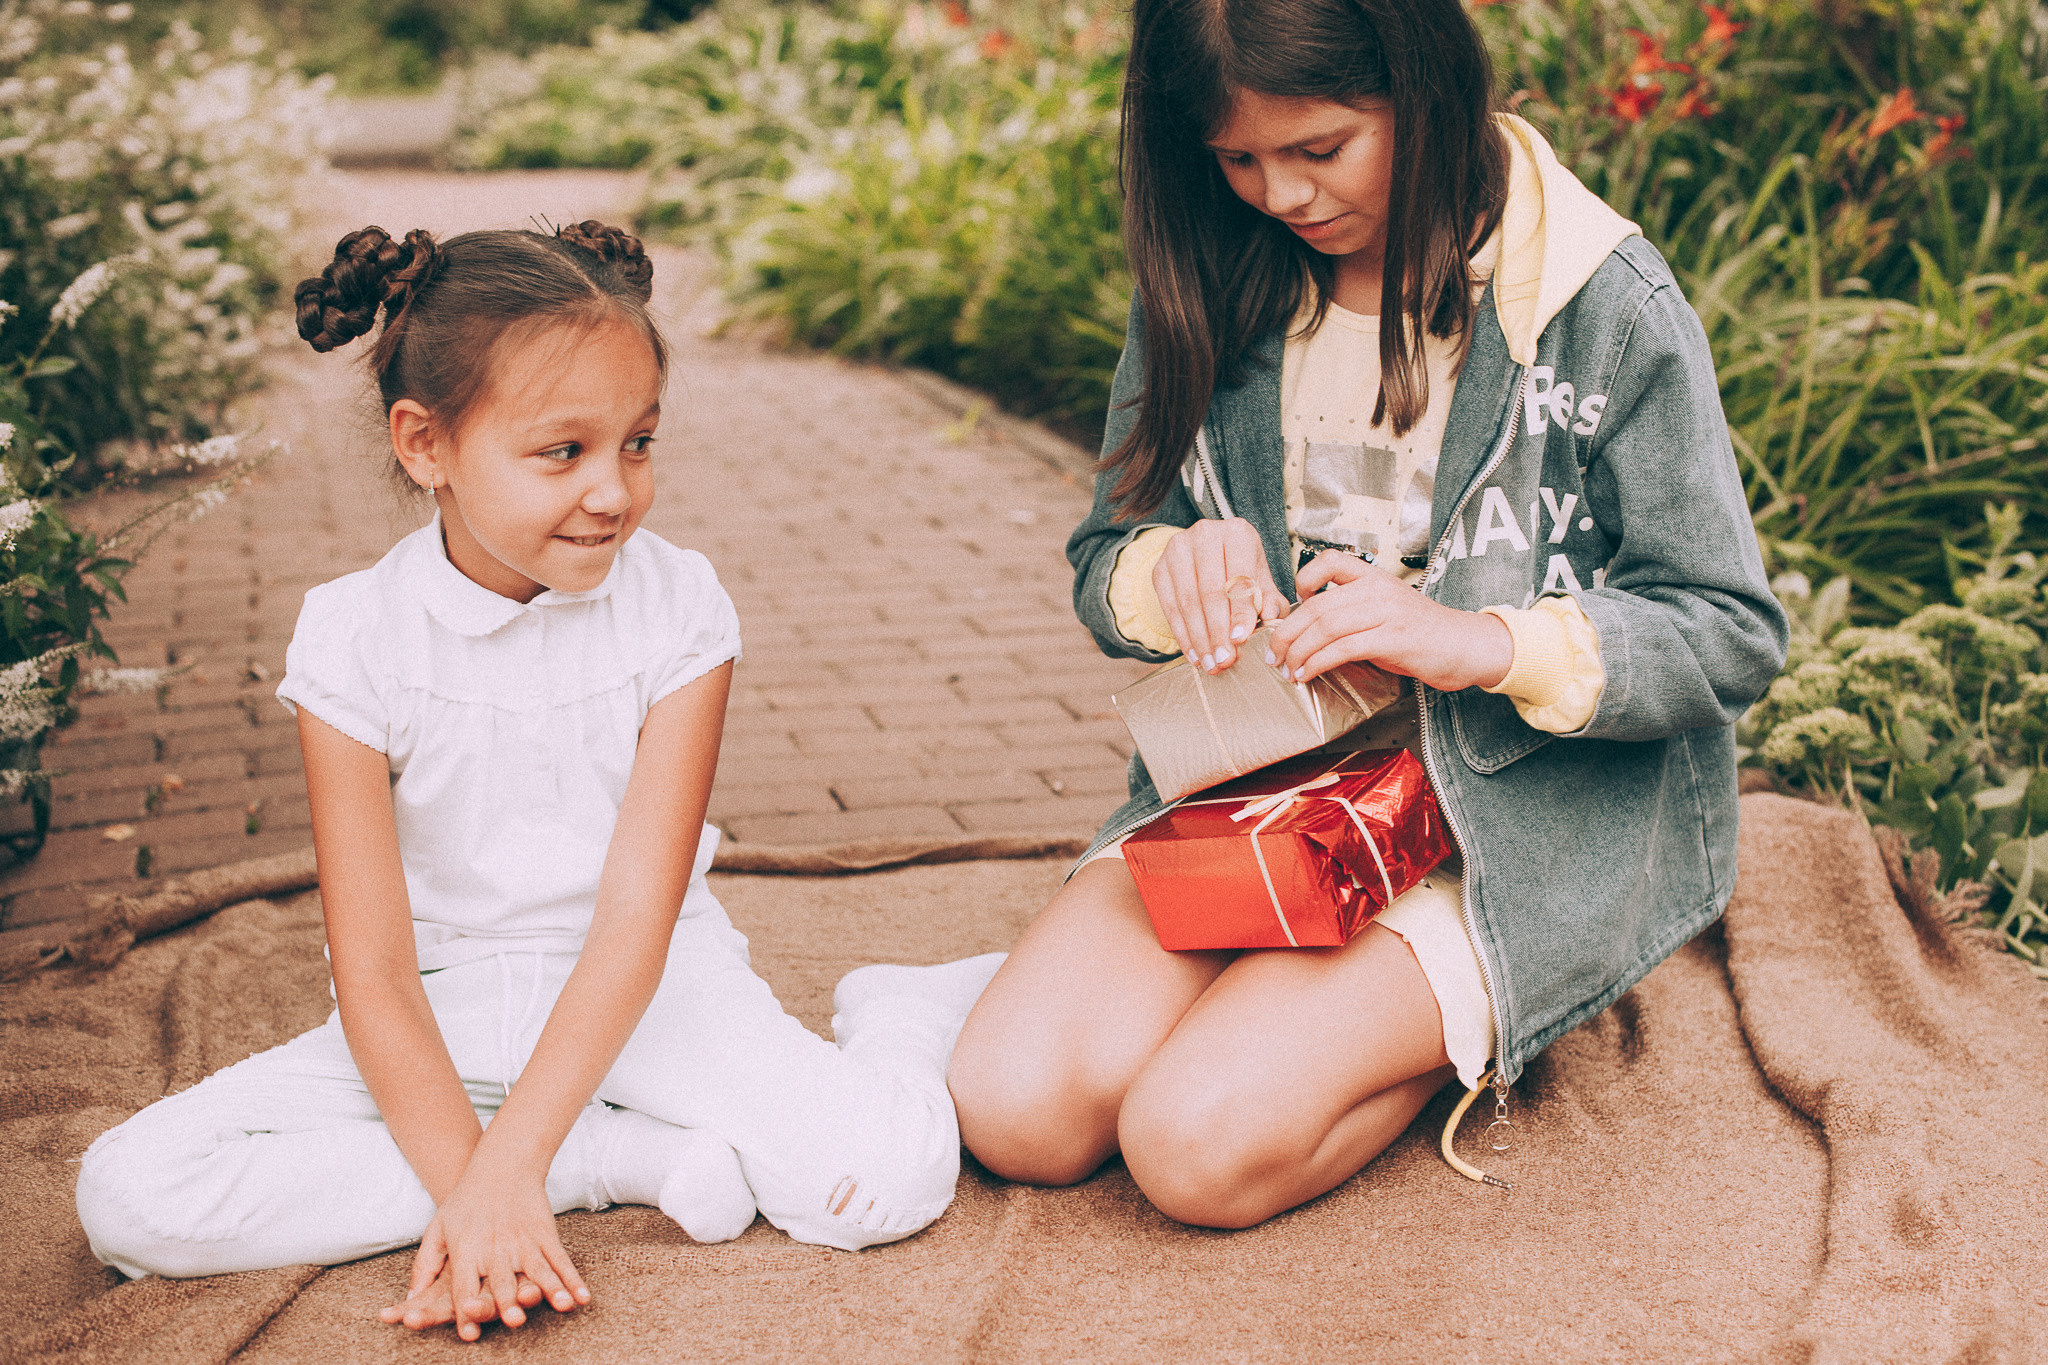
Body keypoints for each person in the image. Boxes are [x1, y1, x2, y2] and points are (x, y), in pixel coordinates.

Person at [74, 221, 1003, 1339]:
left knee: (883, 1184)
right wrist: (490, 1185)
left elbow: (633, 923)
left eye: (638, 442)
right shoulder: (352, 637)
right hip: (444, 1009)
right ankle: (597, 1162)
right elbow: (373, 973)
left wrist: (494, 1165)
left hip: (651, 991)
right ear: (425, 444)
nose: (613, 491)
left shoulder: (678, 607)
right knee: (132, 1195)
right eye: (563, 452)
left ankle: (895, 1015)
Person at [948, 0, 1789, 1228]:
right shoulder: (1212, 277)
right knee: (1015, 1111)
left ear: (1421, 84)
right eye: (1235, 159)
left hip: (1495, 825)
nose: (1280, 195)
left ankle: (1451, 1015)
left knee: (1192, 1150)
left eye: (1318, 148)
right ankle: (1299, 1008)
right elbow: (1103, 557)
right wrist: (1172, 565)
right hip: (1257, 798)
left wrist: (1478, 643)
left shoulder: (1599, 303)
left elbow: (1725, 628)